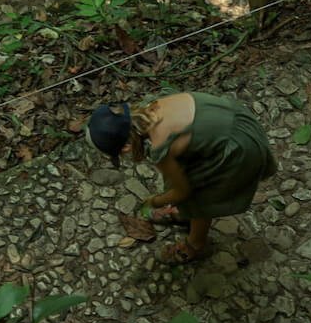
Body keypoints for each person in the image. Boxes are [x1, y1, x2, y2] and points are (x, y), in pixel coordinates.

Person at [85, 92, 277, 265]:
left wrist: (155, 201)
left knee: (198, 197)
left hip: (238, 150)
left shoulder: (162, 147)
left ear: (125, 147)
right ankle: (183, 215)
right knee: (184, 176)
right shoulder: (156, 104)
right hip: (238, 123)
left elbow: (182, 191)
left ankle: (195, 244)